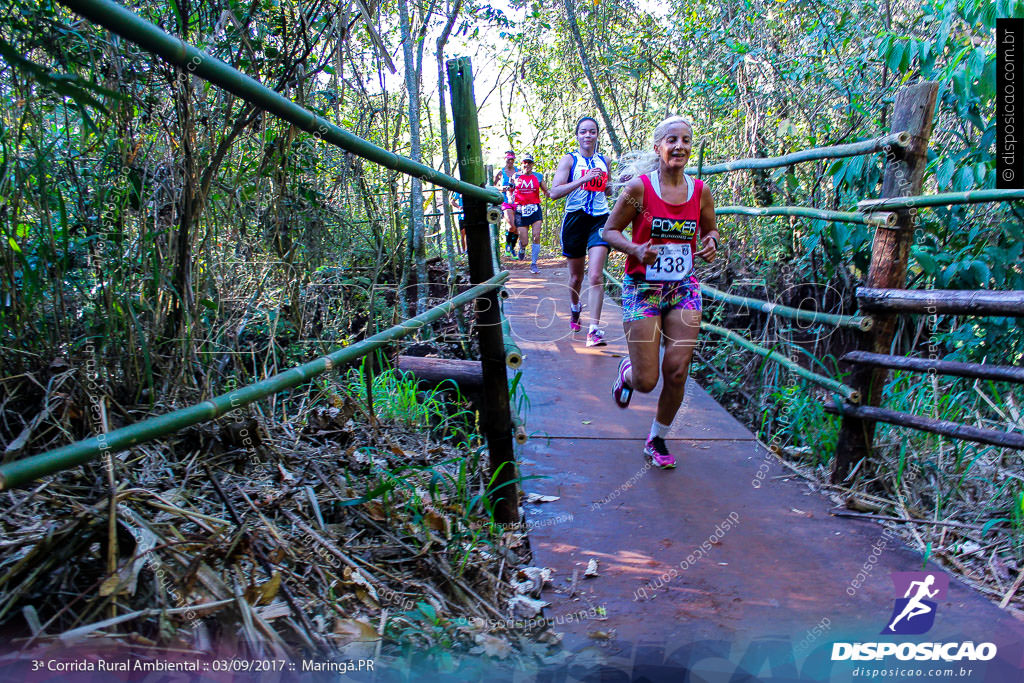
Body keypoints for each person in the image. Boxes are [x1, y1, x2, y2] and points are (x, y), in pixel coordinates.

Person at [602, 116, 720, 469]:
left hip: (684, 287)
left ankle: (657, 438)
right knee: (647, 380)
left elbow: (712, 230)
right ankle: (628, 373)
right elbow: (610, 231)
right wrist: (635, 249)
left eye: (686, 140)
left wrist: (712, 242)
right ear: (659, 147)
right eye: (672, 140)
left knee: (678, 370)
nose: (680, 146)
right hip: (643, 288)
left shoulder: (700, 191)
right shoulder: (639, 189)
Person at [550, 117, 612, 347]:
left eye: (592, 132)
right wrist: (583, 179)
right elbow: (554, 192)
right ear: (577, 135)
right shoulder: (570, 160)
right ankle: (575, 308)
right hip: (575, 220)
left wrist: (613, 184)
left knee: (595, 275)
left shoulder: (604, 160)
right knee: (576, 277)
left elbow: (609, 190)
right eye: (583, 132)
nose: (588, 135)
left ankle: (594, 330)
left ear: (597, 135)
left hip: (599, 219)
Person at [512, 154, 551, 274]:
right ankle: (522, 247)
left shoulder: (538, 176)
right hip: (520, 209)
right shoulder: (516, 176)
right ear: (521, 164)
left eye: (529, 163)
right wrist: (509, 198)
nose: (527, 165)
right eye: (525, 162)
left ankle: (534, 263)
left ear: (532, 164)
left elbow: (546, 190)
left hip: (534, 208)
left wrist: (551, 194)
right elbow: (510, 190)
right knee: (525, 241)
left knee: (536, 236)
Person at [493, 151, 520, 258]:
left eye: (512, 159)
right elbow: (493, 186)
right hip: (505, 201)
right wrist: (501, 188)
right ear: (505, 159)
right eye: (508, 159)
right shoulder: (500, 172)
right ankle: (507, 246)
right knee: (511, 226)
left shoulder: (518, 171)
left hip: (518, 200)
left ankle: (512, 248)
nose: (510, 161)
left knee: (517, 228)